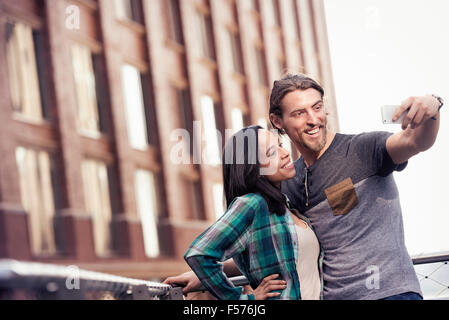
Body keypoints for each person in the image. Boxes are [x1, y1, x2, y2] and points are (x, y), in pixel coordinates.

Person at [165, 73, 443, 300]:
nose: (313, 119)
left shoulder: (363, 149)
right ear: (278, 122)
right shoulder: (287, 182)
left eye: (317, 107)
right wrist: (203, 275)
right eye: (299, 113)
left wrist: (432, 105)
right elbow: (274, 244)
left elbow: (415, 142)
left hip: (390, 294)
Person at [182, 126, 324, 300]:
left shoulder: (285, 206)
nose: (285, 153)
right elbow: (200, 254)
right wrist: (244, 300)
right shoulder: (252, 205)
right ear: (253, 168)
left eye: (280, 145)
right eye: (271, 153)